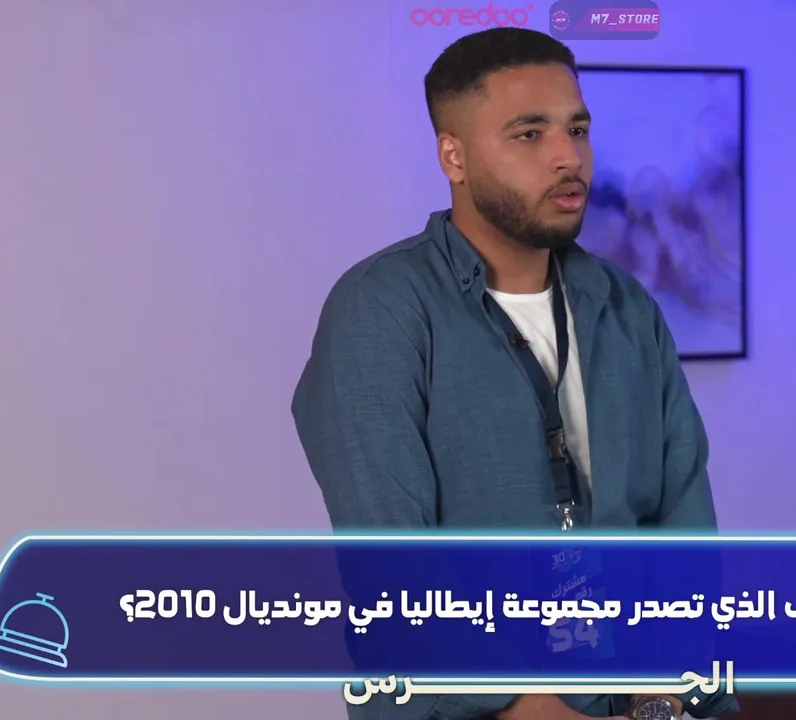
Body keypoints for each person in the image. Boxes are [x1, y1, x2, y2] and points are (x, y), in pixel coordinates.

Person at [291, 27, 736, 720]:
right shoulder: (380, 309)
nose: (569, 157)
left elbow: (684, 528)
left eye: (577, 129)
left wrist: (664, 699)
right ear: (454, 156)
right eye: (530, 134)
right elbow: (393, 573)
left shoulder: (626, 308)